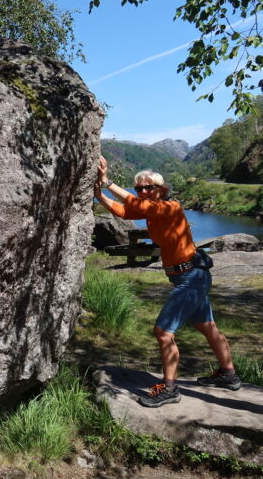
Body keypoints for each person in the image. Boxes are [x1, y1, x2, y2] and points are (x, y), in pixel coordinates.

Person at [93, 156, 241, 408]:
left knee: (163, 332)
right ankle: (228, 374)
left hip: (190, 278)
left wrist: (107, 182)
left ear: (161, 189)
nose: (143, 191)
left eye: (148, 187)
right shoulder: (149, 210)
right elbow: (123, 210)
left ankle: (170, 388)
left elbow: (131, 202)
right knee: (207, 327)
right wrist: (99, 194)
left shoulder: (170, 207)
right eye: (139, 188)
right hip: (189, 277)